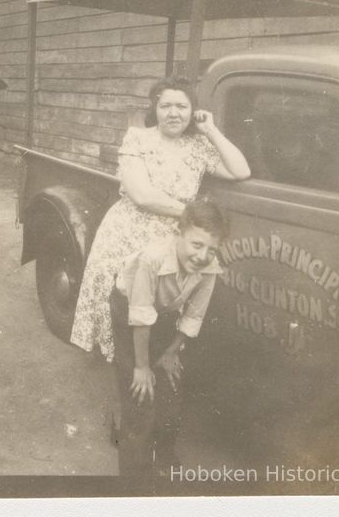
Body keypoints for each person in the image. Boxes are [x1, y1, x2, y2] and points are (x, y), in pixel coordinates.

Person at [70, 76, 250, 362]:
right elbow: (142, 195)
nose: (174, 113)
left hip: (172, 238)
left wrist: (211, 130)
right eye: (165, 105)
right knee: (120, 300)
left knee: (162, 301)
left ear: (193, 111)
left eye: (182, 106)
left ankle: (150, 362)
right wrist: (190, 215)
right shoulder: (138, 138)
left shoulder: (199, 145)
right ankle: (121, 362)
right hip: (127, 234)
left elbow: (241, 171)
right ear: (155, 109)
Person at [110, 200, 228, 477]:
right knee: (141, 395)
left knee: (171, 389)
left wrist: (171, 352)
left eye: (211, 249)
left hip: (162, 315)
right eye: (196, 245)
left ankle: (163, 453)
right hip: (129, 311)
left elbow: (193, 317)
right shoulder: (152, 258)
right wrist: (141, 366)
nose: (202, 256)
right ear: (179, 233)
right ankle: (134, 476)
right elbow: (140, 315)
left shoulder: (210, 268)